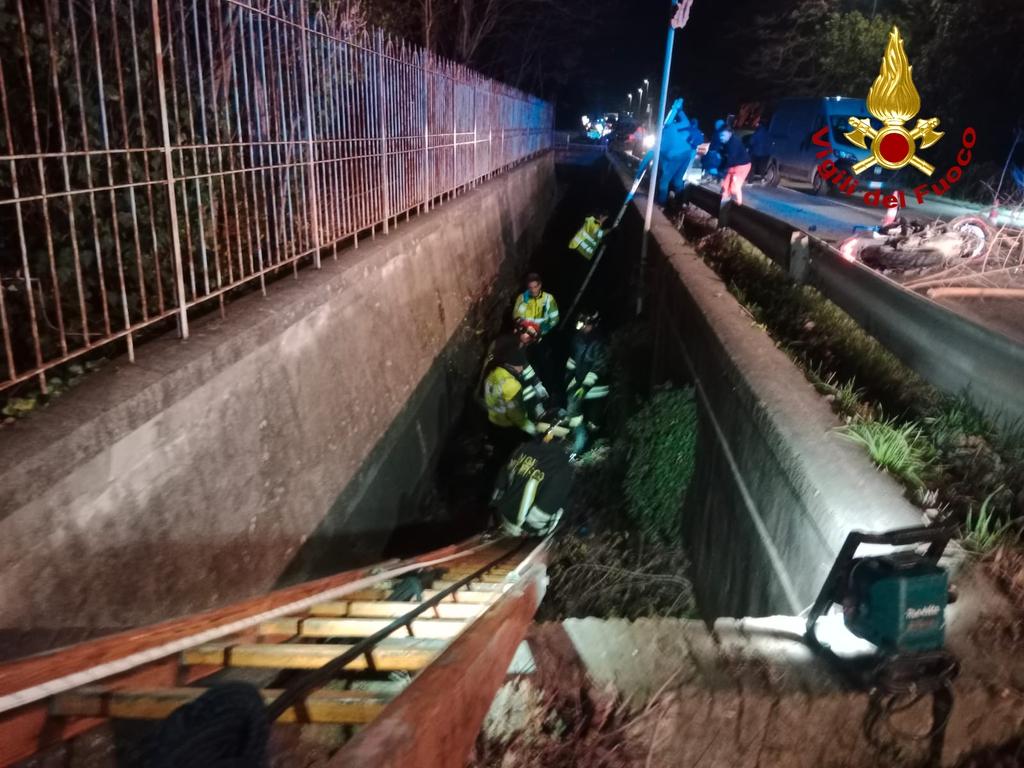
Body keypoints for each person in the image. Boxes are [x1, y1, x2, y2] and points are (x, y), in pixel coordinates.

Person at [491, 420, 575, 537]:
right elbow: (551, 500)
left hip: (502, 514)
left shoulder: (521, 449)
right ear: (563, 436)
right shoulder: (563, 464)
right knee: (568, 501)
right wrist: (530, 530)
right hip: (524, 528)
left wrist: (497, 505)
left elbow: (502, 479)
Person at [483, 335, 546, 460]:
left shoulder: (495, 372)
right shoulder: (512, 385)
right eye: (520, 366)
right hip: (506, 425)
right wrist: (532, 429)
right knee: (506, 454)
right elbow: (516, 416)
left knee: (496, 448)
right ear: (513, 365)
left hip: (492, 419)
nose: (522, 368)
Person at [565, 310, 610, 456]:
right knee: (574, 413)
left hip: (597, 390)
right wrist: (569, 378)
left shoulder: (600, 343)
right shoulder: (577, 339)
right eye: (581, 324)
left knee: (594, 422)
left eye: (586, 325)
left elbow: (599, 367)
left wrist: (585, 386)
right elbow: (573, 360)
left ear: (593, 325)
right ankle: (579, 443)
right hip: (579, 386)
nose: (583, 328)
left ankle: (592, 445)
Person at [512, 273, 559, 394]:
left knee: (543, 364)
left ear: (540, 285)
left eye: (535, 286)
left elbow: (555, 319)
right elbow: (516, 316)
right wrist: (524, 327)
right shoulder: (522, 298)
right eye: (530, 287)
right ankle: (524, 390)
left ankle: (546, 393)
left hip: (541, 338)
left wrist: (539, 329)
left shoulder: (548, 299)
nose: (533, 290)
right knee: (522, 364)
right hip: (525, 338)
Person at [655, 110, 694, 206]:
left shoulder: (663, 135)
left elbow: (651, 156)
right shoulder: (672, 127)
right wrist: (680, 111)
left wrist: (639, 172)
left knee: (664, 181)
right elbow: (686, 122)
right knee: (677, 180)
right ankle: (681, 203)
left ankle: (662, 204)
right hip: (687, 153)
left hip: (675, 156)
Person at [718, 126, 752, 206]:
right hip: (733, 164)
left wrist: (722, 172)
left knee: (734, 187)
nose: (721, 138)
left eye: (723, 135)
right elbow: (726, 158)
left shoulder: (734, 143)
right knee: (725, 187)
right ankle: (723, 204)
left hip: (742, 165)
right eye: (720, 136)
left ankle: (738, 204)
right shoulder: (726, 143)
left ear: (729, 134)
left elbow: (730, 159)